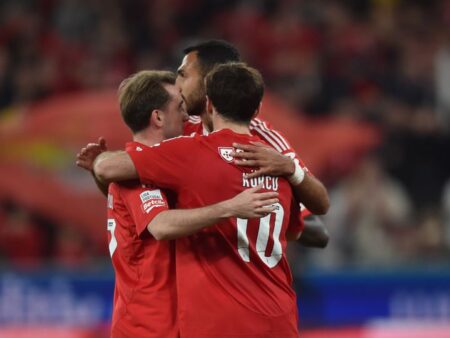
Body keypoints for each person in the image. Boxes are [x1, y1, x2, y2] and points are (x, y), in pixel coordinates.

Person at [93, 63, 324, 337]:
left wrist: (98, 163)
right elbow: (160, 225)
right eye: (179, 106)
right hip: (150, 326)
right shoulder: (274, 163)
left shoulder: (188, 158)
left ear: (210, 105)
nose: (187, 114)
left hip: (193, 322)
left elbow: (109, 171)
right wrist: (236, 205)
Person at [79, 39, 329, 247]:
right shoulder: (179, 128)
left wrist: (289, 170)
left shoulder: (262, 139)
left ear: (210, 80)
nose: (177, 86)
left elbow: (318, 223)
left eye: (184, 75)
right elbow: (131, 193)